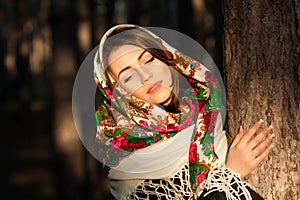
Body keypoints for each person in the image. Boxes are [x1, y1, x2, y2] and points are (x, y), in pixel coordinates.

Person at [93, 24, 274, 199]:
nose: (146, 75)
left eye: (148, 60)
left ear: (166, 56)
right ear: (117, 95)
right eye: (128, 76)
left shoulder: (208, 105)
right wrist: (230, 175)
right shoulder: (128, 167)